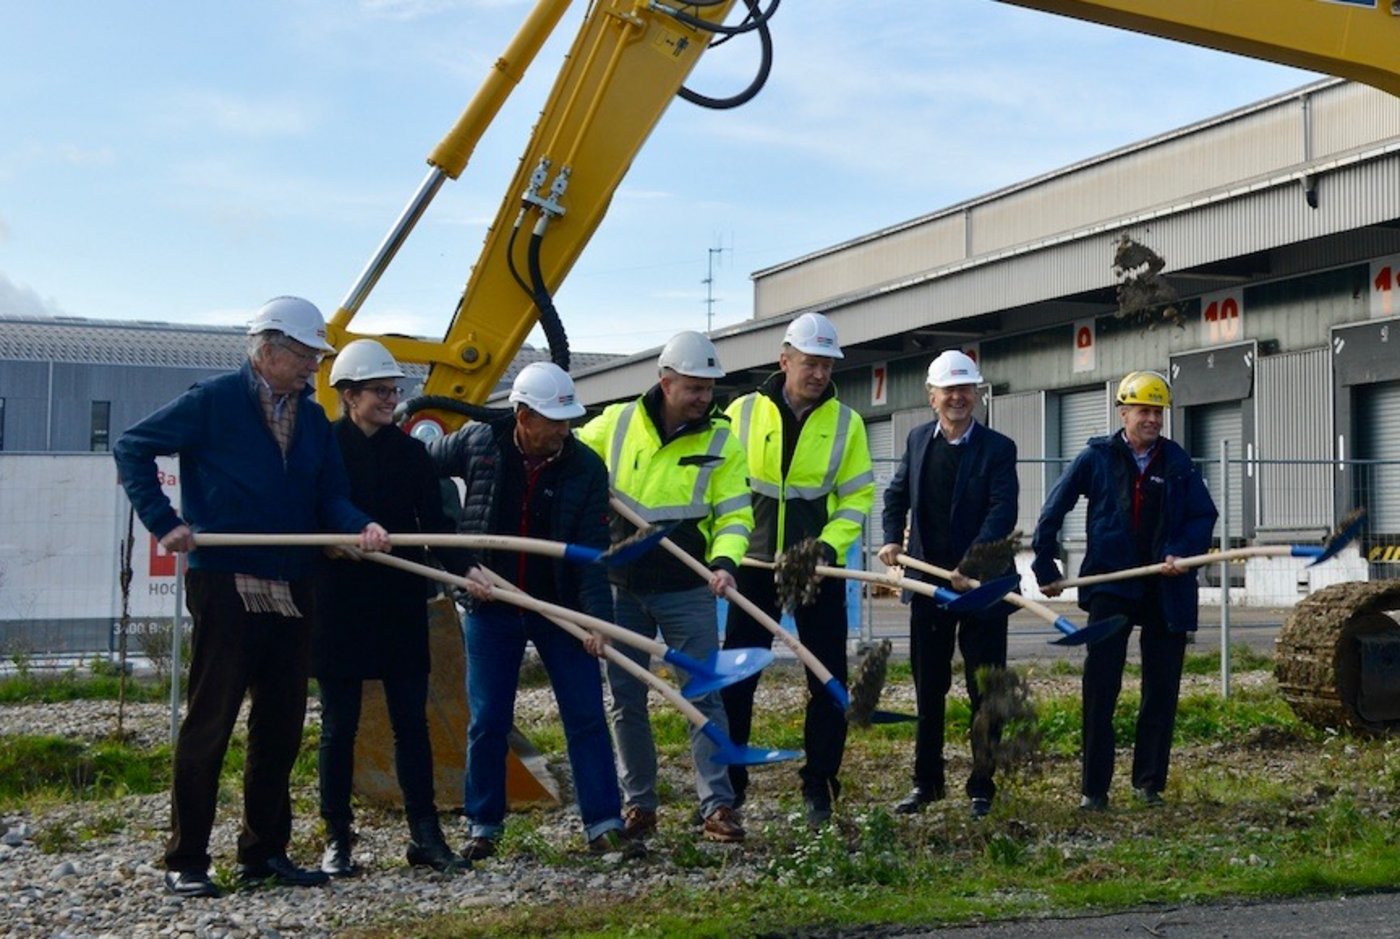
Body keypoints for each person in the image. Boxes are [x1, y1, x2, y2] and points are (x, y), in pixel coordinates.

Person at [112, 297, 391, 898]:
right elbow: (132, 446)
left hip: (293, 582)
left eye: (319, 357)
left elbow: (331, 497)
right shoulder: (213, 401)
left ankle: (264, 852)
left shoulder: (314, 421)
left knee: (282, 725)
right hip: (225, 578)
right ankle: (187, 858)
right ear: (267, 350)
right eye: (305, 355)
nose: (314, 368)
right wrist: (164, 521)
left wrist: (358, 526)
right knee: (211, 721)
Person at [427, 362, 639, 860]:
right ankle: (483, 826)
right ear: (522, 415)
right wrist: (458, 561)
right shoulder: (479, 443)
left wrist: (593, 619)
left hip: (558, 606)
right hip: (491, 604)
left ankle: (603, 823)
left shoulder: (584, 467)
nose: (564, 431)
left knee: (585, 716)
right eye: (554, 420)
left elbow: (590, 551)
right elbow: (418, 468)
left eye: (568, 420)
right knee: (488, 720)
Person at [576, 331, 753, 844]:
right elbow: (572, 461)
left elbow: (735, 514)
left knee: (704, 696)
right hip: (621, 587)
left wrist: (724, 562)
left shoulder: (722, 440)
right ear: (665, 380)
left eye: (708, 389)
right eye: (694, 388)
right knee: (626, 700)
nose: (703, 398)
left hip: (688, 587)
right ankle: (640, 806)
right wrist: (593, 487)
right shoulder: (615, 424)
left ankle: (717, 805)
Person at [312, 340, 469, 876]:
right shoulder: (325, 449)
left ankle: (426, 835)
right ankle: (337, 839)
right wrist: (330, 542)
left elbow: (439, 526)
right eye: (380, 391)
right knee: (339, 727)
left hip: (402, 601)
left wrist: (467, 572)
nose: (391, 400)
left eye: (394, 391)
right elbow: (308, 519)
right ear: (348, 395)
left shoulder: (411, 454)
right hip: (340, 604)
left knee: (412, 724)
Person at [1031, 370, 1217, 811]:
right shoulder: (1096, 457)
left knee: (1162, 687)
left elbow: (1201, 517)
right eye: (1143, 411)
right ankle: (1093, 790)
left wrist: (1180, 551)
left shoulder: (1177, 462)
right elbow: (1054, 507)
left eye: (1158, 412)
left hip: (1163, 587)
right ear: (1123, 412)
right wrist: (1044, 560)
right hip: (1111, 584)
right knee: (1100, 687)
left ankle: (1148, 784)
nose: (1152, 419)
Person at [720, 312, 874, 824]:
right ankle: (729, 786)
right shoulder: (740, 412)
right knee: (738, 676)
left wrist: (827, 550)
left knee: (827, 678)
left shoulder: (847, 424)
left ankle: (819, 786)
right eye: (810, 363)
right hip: (752, 562)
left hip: (816, 569)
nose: (819, 374)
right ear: (784, 360)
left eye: (827, 365)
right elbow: (720, 486)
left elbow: (856, 498)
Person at [877, 350, 1019, 819]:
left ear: (976, 393)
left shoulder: (999, 449)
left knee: (987, 690)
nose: (957, 397)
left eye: (965, 388)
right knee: (928, 689)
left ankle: (982, 785)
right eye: (949, 389)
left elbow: (1003, 513)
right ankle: (927, 782)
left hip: (981, 588)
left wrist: (971, 564)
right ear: (932, 395)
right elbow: (895, 495)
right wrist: (891, 540)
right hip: (929, 588)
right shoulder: (918, 441)